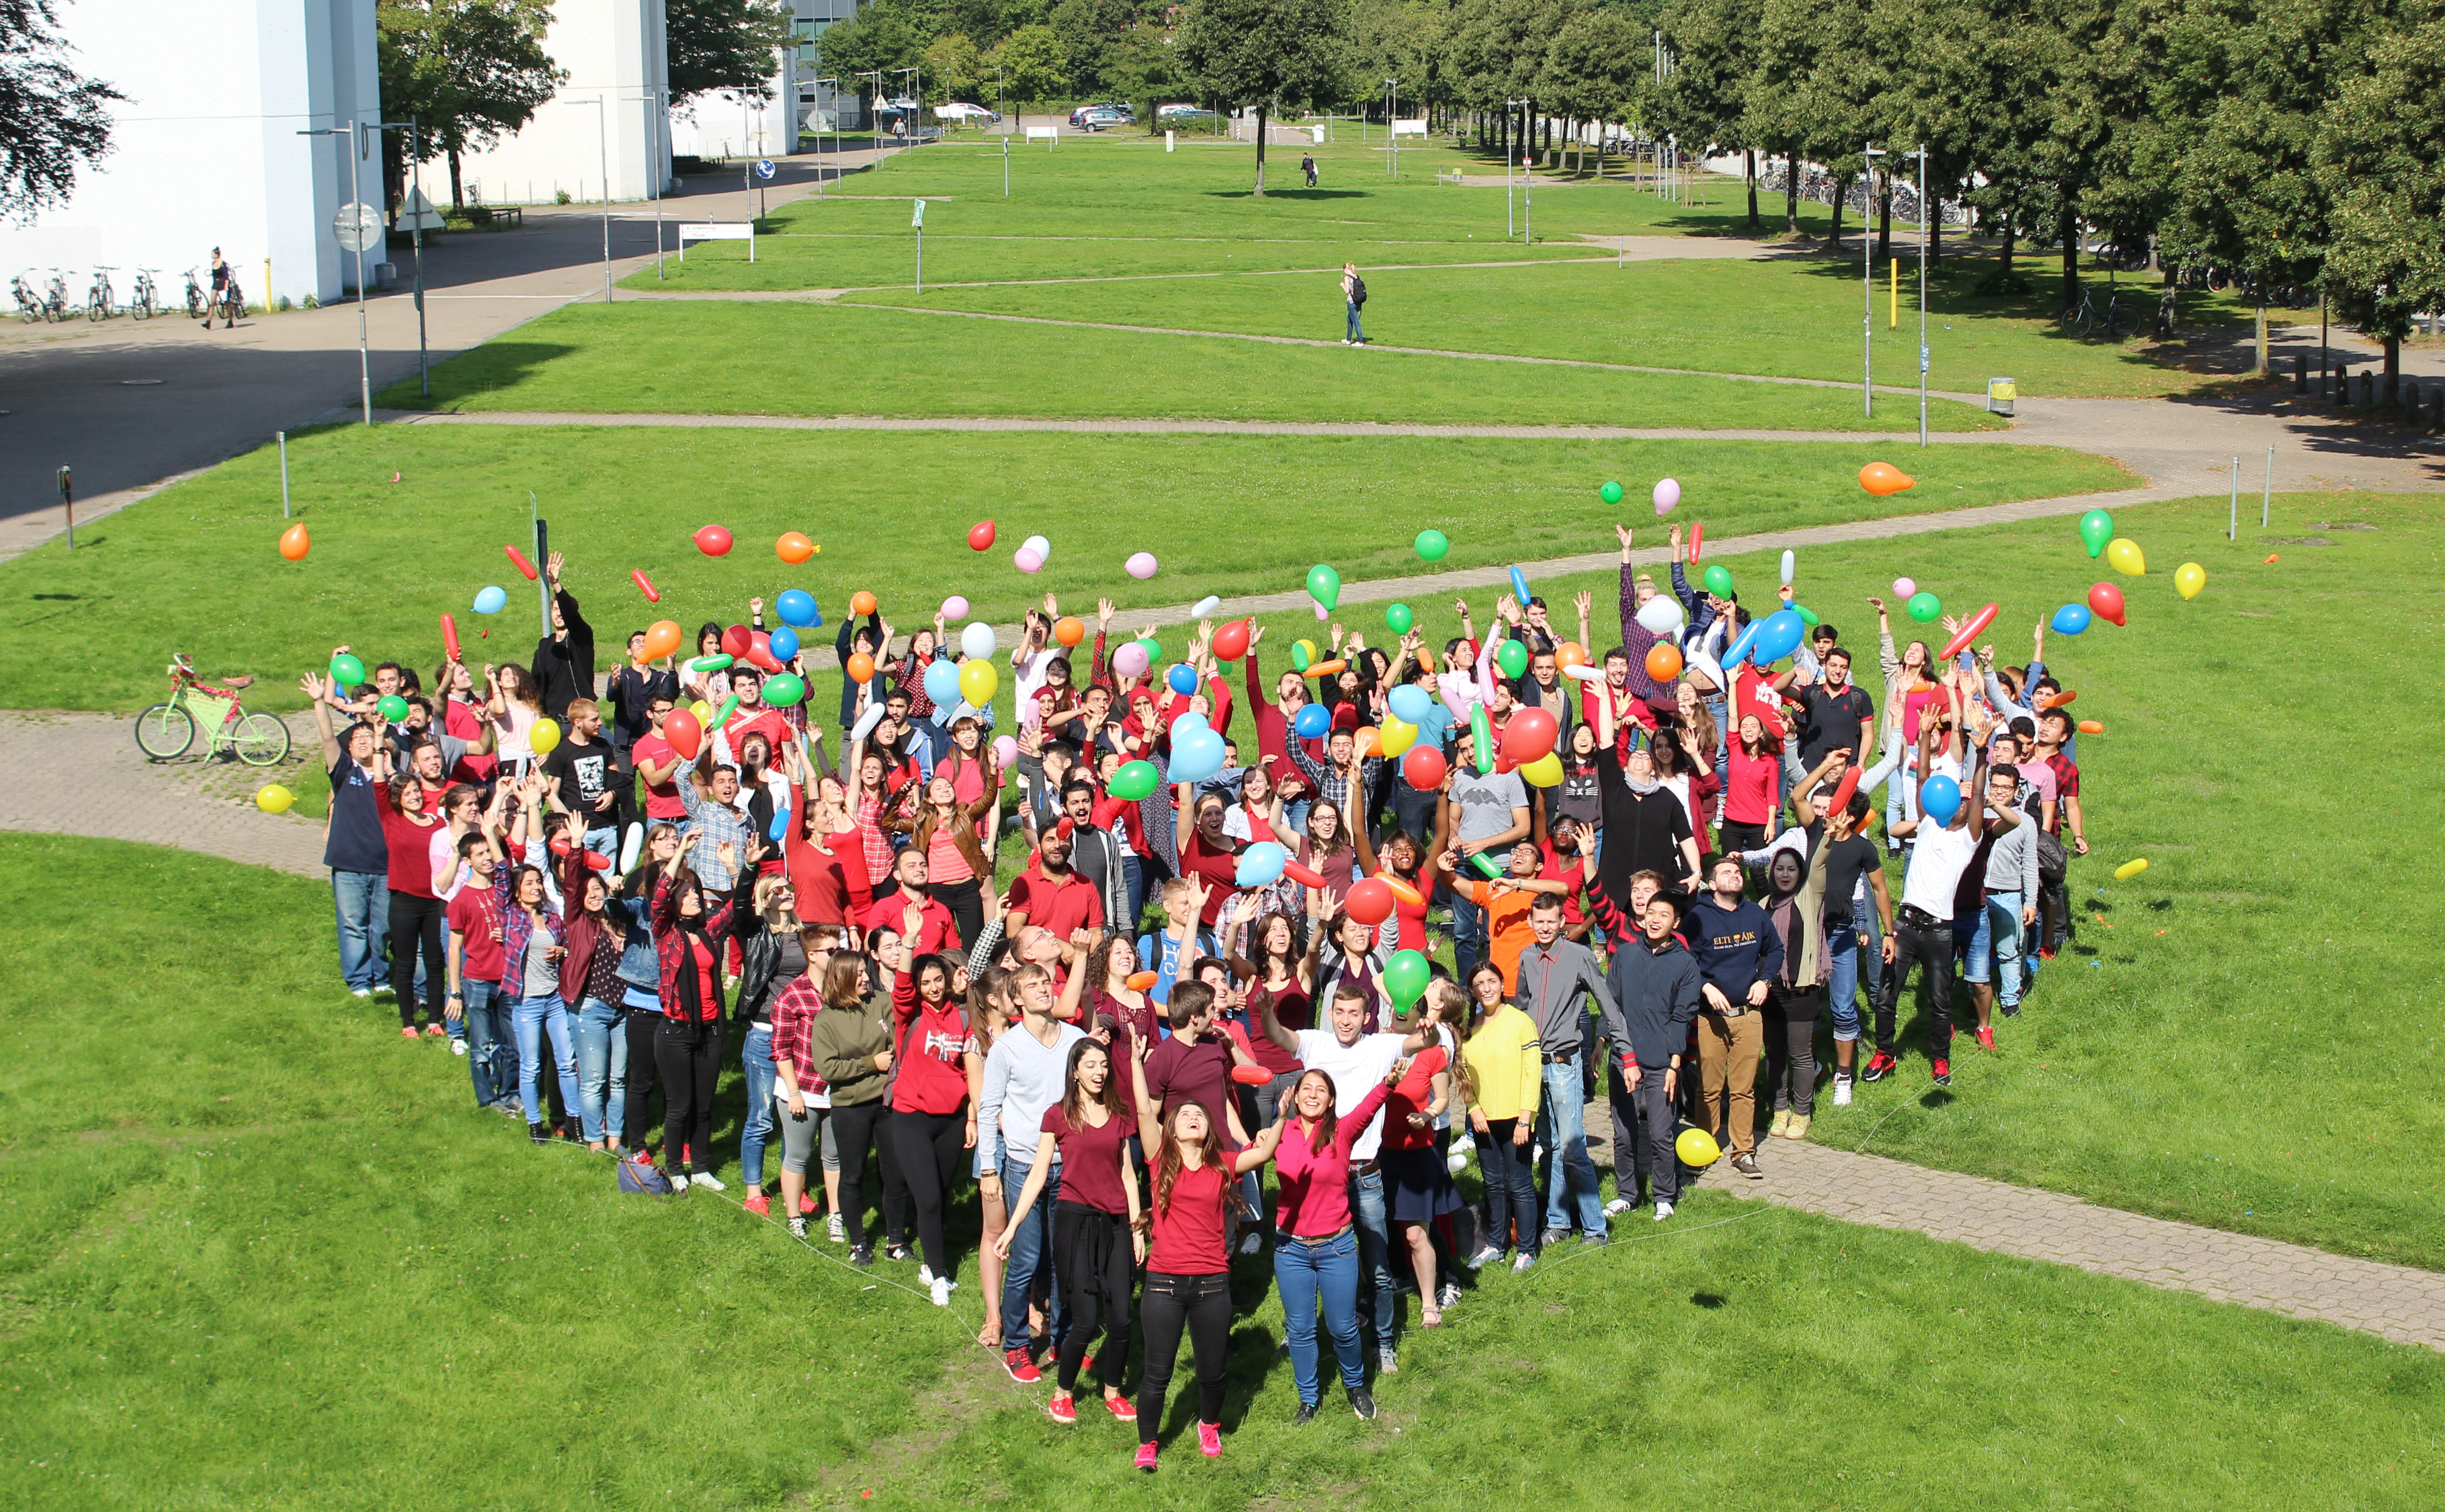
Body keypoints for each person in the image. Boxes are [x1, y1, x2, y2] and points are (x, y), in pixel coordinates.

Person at [1243, 1060, 1402, 1425]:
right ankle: (1309, 1399)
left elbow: (1368, 1108)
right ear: (1294, 1096)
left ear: (1331, 1100)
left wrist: (1388, 1082)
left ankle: (1355, 1386)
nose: (1312, 1095)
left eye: (1321, 1090)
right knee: (1300, 1328)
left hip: (1336, 1247)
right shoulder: (1280, 1131)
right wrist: (1277, 1121)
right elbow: (1255, 1152)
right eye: (1306, 1089)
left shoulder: (1341, 1133)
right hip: (1291, 1248)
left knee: (1343, 1326)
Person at [994, 1037, 1141, 1426]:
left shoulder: (1118, 1113)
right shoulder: (1058, 1115)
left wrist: (1138, 1228)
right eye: (1090, 1064)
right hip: (1075, 1221)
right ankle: (1063, 1392)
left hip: (1116, 1223)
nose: (1099, 1071)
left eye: (1103, 1064)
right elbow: (1038, 1175)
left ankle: (1113, 1390)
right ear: (1075, 1071)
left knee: (1124, 1317)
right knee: (1087, 1318)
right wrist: (1011, 1227)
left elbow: (1128, 1174)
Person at [1869, 678, 1988, 1087]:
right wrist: (1920, 736)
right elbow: (1921, 781)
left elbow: (1980, 798)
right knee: (1887, 995)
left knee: (1939, 1002)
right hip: (1905, 923)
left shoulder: (1967, 841)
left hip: (1939, 930)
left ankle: (1940, 1060)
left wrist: (1982, 752)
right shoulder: (1930, 824)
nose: (1955, 800)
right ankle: (1885, 1054)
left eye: (1962, 799)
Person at [978, 960, 1086, 1380]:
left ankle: (1061, 1338)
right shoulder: (1007, 1047)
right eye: (1034, 985)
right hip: (1023, 1163)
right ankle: (1018, 1346)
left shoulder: (1074, 1039)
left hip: (1069, 1164)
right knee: (1025, 1258)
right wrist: (989, 1169)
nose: (1046, 988)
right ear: (1016, 999)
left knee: (1065, 1259)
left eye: (1048, 981)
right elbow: (988, 1110)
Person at [888, 894, 985, 1307]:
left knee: (940, 1194)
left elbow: (969, 1071)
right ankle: (939, 1274)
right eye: (925, 982)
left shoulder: (961, 1019)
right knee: (927, 1197)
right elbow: (903, 987)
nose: (931, 988)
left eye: (937, 981)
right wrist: (909, 944)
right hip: (911, 1115)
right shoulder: (911, 1015)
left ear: (947, 982)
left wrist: (971, 1117)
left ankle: (931, 1258)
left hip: (949, 1120)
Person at [1511, 892, 1613, 1242]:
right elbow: (1521, 1008)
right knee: (1550, 1146)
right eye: (1538, 921)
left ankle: (1596, 1227)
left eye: (1551, 921)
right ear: (1530, 922)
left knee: (1573, 1147)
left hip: (1564, 1063)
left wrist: (1617, 1046)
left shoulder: (1579, 956)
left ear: (1561, 923)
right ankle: (1558, 1222)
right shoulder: (1526, 957)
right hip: (1532, 1066)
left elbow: (1607, 1002)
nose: (1544, 927)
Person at [1685, 855, 1782, 1176]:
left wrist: (1765, 979)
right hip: (1710, 1019)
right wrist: (1704, 987)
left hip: (1749, 1015)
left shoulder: (1755, 914)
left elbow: (1776, 951)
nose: (1735, 876)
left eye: (1738, 872)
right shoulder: (1698, 917)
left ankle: (1743, 1152)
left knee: (1744, 1090)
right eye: (1727, 872)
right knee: (1709, 1089)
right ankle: (1706, 1147)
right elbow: (1684, 962)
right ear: (1712, 884)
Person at [652, 845, 742, 1189]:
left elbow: (737, 906)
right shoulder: (666, 933)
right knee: (680, 1107)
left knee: (705, 1105)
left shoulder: (707, 931)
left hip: (709, 1030)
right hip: (676, 1032)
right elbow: (660, 895)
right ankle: (675, 1170)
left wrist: (737, 867)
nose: (695, 898)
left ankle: (701, 1167)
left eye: (696, 893)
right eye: (687, 894)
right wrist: (680, 857)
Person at [303, 671, 390, 998]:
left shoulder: (389, 775)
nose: (365, 742)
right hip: (349, 863)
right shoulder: (343, 771)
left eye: (369, 738)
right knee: (354, 925)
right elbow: (327, 737)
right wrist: (317, 701)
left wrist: (379, 735)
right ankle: (359, 981)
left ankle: (382, 975)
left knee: (382, 928)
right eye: (358, 739)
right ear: (350, 747)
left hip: (385, 864)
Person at [807, 954, 894, 1264]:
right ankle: (859, 1243)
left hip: (886, 1102)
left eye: (865, 972)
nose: (865, 978)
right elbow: (828, 1068)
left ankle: (896, 1240)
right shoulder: (826, 1019)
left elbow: (899, 1038)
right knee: (853, 1175)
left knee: (893, 1174)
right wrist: (872, 1063)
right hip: (850, 1107)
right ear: (841, 978)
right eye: (858, 974)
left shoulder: (882, 1003)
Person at [1457, 965, 1543, 1268]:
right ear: (1473, 991)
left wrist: (1525, 1118)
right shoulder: (1468, 1028)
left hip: (1516, 1120)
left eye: (1492, 981)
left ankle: (1527, 1250)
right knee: (1493, 1184)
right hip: (1484, 1120)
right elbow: (1462, 1073)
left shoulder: (1521, 1022)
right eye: (1479, 983)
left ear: (1503, 984)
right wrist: (1473, 1108)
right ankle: (1496, 1244)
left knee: (1520, 1184)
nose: (1487, 988)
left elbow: (1533, 1073)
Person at [769, 923, 847, 1238]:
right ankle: (794, 1216)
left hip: (838, 1089)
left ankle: (836, 1214)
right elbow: (781, 1049)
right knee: (798, 1155)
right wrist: (793, 1093)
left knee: (834, 1155)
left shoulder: (843, 990)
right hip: (802, 1087)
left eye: (838, 949)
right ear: (812, 956)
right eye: (831, 951)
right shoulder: (793, 995)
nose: (837, 955)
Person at [541, 697, 619, 858]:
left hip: (607, 826)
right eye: (594, 720)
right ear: (578, 722)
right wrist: (569, 829)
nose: (600, 723)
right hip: (581, 830)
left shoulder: (603, 745)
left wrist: (612, 794)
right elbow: (552, 794)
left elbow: (617, 778)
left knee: (607, 879)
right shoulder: (560, 753)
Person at [1340, 262, 1367, 345]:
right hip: (1358, 301)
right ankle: (1348, 339)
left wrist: (1343, 285)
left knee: (1355, 322)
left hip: (1352, 302)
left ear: (1347, 269)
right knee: (1349, 320)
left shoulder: (1347, 278)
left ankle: (1360, 341)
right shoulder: (1357, 276)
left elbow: (1347, 291)